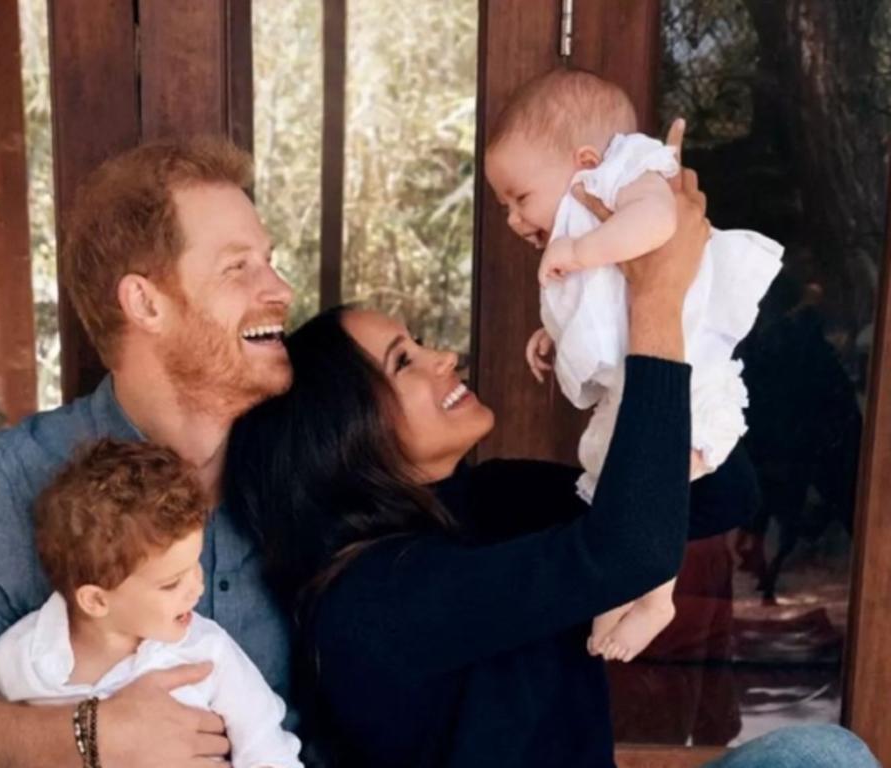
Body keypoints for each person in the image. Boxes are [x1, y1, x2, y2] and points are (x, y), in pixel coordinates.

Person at [223, 164, 878, 767]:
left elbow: (720, 496)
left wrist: (641, 320)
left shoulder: (494, 498)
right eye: (405, 361)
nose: (442, 357)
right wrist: (654, 305)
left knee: (820, 756)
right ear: (341, 436)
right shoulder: (372, 600)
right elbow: (629, 553)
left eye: (419, 343)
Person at [0, 136, 295, 768]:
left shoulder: (299, 468)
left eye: (269, 261)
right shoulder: (9, 480)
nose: (280, 289)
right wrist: (91, 737)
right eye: (238, 267)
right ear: (144, 303)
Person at [483, 69, 783, 661]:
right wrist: (553, 333)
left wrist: (579, 249)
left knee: (654, 482)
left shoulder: (631, 174)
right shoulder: (589, 219)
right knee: (613, 479)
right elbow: (607, 304)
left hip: (688, 374)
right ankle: (623, 589)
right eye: (504, 208)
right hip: (642, 377)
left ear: (587, 160)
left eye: (521, 198)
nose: (515, 220)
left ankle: (655, 598)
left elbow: (659, 225)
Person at [0, 439, 303, 768]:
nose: (197, 588)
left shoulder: (207, 653)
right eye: (171, 583)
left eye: (196, 565)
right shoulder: (17, 659)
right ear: (95, 600)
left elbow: (268, 751)